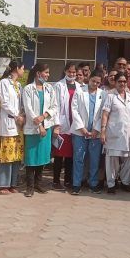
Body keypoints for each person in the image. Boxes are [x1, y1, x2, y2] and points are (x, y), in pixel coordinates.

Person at [22, 63, 57, 197]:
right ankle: (29, 187)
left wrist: (44, 116)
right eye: (46, 72)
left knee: (42, 156)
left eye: (48, 72)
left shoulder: (49, 88)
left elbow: (54, 106)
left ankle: (38, 184)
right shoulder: (28, 89)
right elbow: (29, 110)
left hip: (46, 127)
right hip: (33, 128)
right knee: (31, 158)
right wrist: (39, 125)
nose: (48, 75)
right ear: (38, 73)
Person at [70, 70, 105, 195]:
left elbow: (103, 113)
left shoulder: (103, 94)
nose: (95, 84)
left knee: (94, 159)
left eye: (98, 82)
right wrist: (82, 128)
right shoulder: (79, 91)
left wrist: (96, 129)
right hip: (80, 131)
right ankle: (76, 184)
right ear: (89, 79)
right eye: (93, 81)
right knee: (79, 158)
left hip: (95, 133)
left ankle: (93, 183)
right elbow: (74, 110)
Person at [101, 71, 130, 194]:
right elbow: (105, 114)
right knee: (112, 160)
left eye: (124, 81)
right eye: (120, 81)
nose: (122, 83)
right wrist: (103, 131)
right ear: (115, 82)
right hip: (113, 133)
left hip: (128, 134)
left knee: (128, 159)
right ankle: (111, 184)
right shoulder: (110, 96)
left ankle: (125, 183)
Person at [0, 61, 25, 195]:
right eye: (22, 68)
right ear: (17, 69)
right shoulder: (4, 83)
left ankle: (13, 183)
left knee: (16, 155)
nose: (23, 71)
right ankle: (3, 184)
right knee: (7, 154)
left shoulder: (18, 85)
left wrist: (22, 115)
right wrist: (16, 115)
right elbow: (4, 103)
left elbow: (21, 104)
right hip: (8, 123)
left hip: (18, 125)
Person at [52, 62, 77, 191]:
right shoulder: (59, 85)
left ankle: (67, 180)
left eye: (74, 72)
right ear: (65, 71)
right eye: (69, 72)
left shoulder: (79, 86)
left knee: (70, 155)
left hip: (74, 125)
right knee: (59, 154)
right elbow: (55, 106)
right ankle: (56, 181)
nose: (72, 74)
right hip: (61, 125)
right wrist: (56, 125)